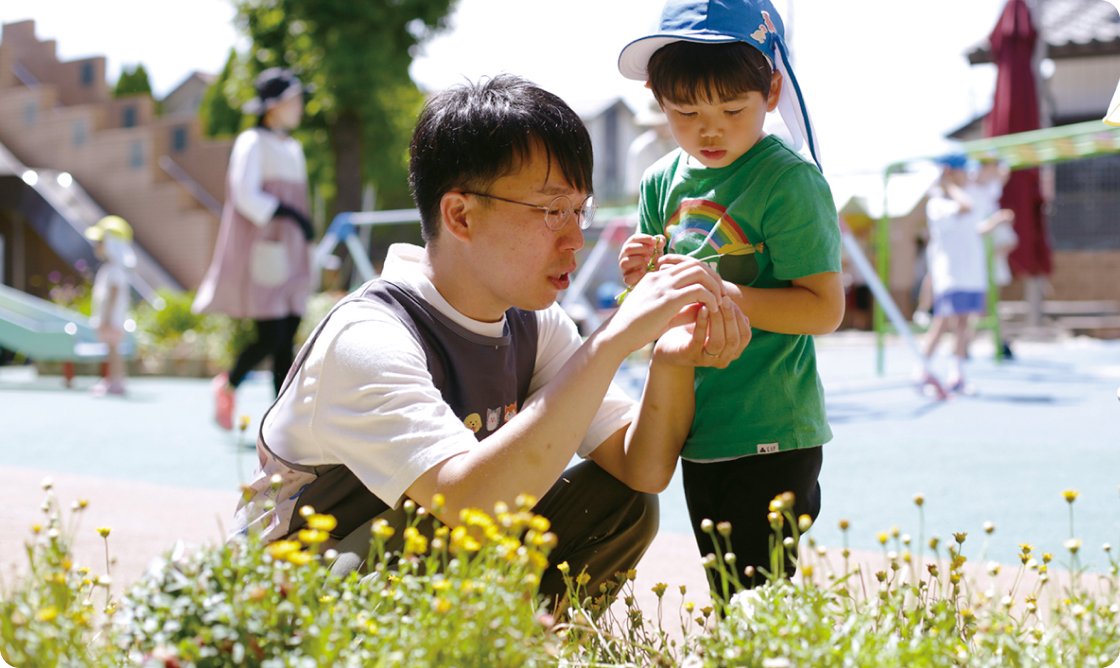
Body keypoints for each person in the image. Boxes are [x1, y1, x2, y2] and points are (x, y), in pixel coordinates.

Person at [230, 75, 751, 607]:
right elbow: (469, 502)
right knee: (440, 522)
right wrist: (613, 339)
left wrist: (670, 360)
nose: (575, 238)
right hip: (288, 614)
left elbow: (642, 469)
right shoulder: (370, 336)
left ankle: (521, 649)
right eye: (552, 211)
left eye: (580, 211)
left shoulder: (531, 323)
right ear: (460, 214)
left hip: (401, 573)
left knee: (621, 502)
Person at [616, 0, 844, 596]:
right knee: (729, 593)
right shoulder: (661, 181)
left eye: (732, 108)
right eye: (684, 111)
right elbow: (659, 308)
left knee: (757, 596)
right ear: (655, 97)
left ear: (771, 90)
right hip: (699, 421)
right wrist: (644, 278)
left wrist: (715, 289)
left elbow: (823, 308)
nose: (709, 128)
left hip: (771, 420)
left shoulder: (788, 180)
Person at [193, 68, 315, 430]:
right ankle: (229, 383)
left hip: (292, 250)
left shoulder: (293, 147)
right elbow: (245, 194)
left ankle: (280, 422)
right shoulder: (252, 142)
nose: (300, 107)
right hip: (266, 247)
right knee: (272, 334)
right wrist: (288, 212)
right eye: (294, 100)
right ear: (274, 106)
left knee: (288, 333)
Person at [920, 154, 1005, 391]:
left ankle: (957, 373)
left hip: (971, 273)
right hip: (950, 274)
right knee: (942, 322)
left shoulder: (967, 196)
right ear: (950, 172)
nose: (968, 175)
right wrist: (949, 185)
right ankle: (921, 370)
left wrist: (995, 222)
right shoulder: (938, 203)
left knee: (964, 324)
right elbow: (966, 207)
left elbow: (974, 229)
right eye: (962, 171)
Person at [85, 215, 136, 396]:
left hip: (112, 319)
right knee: (112, 350)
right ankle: (113, 380)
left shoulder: (115, 270)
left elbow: (112, 295)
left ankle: (116, 381)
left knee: (114, 351)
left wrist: (105, 318)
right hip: (112, 318)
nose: (96, 246)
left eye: (99, 241)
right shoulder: (113, 268)